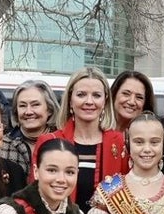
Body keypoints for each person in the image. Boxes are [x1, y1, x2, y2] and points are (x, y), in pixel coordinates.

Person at [34, 67, 126, 205]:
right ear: (70, 100)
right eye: (81, 95)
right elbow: (35, 193)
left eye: (96, 95)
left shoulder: (120, 143)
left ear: (105, 101)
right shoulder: (49, 141)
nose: (89, 101)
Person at [1, 79, 58, 184]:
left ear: (49, 109)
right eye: (22, 106)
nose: (28, 112)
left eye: (35, 105)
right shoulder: (3, 145)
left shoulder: (61, 141)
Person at [111, 69, 156, 134]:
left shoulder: (150, 136)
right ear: (114, 94)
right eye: (126, 94)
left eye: (139, 97)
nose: (131, 102)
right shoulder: (95, 129)